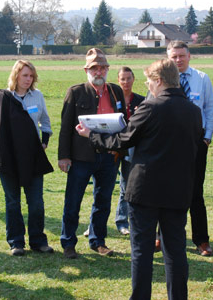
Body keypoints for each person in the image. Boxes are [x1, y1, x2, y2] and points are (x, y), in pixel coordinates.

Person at [76, 59, 202, 300]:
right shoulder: (194, 111)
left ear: (159, 81)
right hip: (178, 190)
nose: (148, 86)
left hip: (145, 190)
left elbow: (123, 140)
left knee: (142, 251)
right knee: (175, 251)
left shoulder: (150, 107)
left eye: (148, 82)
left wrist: (91, 135)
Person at [0, 60, 54, 256]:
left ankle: (38, 241)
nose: (28, 79)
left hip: (32, 156)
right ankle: (16, 242)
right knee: (13, 202)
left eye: (31, 76)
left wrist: (44, 142)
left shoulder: (37, 96)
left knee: (36, 203)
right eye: (25, 75)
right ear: (16, 76)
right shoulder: (3, 98)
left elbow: (45, 122)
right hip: (8, 158)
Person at [58, 48, 126, 259]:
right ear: (86, 70)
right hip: (81, 157)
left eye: (103, 68)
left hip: (109, 156)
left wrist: (119, 148)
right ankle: (68, 243)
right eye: (95, 68)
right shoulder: (76, 92)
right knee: (73, 201)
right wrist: (64, 156)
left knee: (103, 201)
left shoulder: (116, 91)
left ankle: (98, 241)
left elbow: (123, 122)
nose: (99, 72)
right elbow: (65, 127)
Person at [167, 40, 213, 256]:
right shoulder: (163, 78)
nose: (178, 60)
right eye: (174, 56)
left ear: (189, 56)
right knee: (167, 191)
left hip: (196, 142)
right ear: (168, 58)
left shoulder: (202, 78)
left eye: (181, 56)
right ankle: (163, 236)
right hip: (169, 143)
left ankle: (201, 240)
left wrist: (206, 138)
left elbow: (210, 109)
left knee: (195, 192)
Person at [115, 66, 145, 235]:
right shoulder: (112, 99)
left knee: (126, 186)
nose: (126, 82)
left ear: (134, 79)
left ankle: (122, 222)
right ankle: (95, 224)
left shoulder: (141, 100)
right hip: (113, 146)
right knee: (102, 188)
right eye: (123, 79)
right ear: (118, 80)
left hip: (132, 148)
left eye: (128, 78)